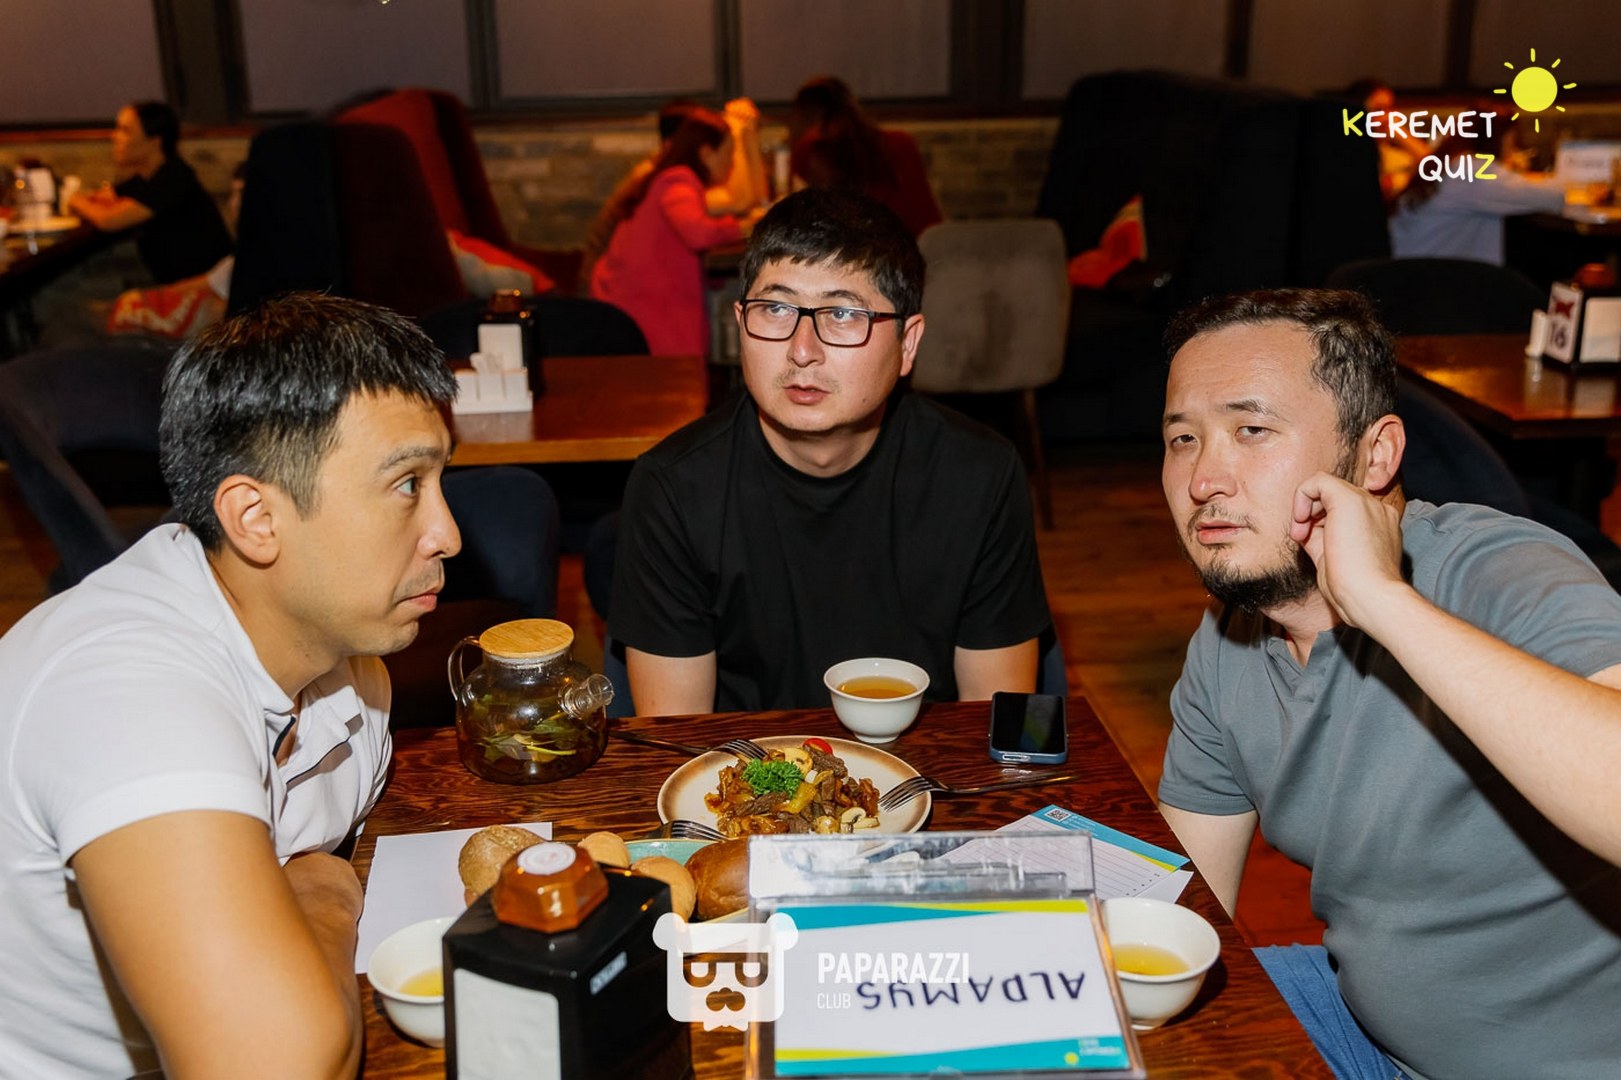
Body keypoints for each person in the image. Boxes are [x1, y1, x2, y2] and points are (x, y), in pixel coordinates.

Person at [1156, 287, 1621, 1080]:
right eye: (1181, 438)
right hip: (1364, 1031)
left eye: (1250, 430)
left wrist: (1382, 603)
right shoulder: (1231, 636)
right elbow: (1179, 919)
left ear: (1374, 456)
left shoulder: (1496, 569)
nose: (1203, 478)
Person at [0, 293, 461, 1076]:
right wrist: (323, 891)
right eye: (406, 484)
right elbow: (277, 1066)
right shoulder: (127, 696)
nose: (447, 534)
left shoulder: (351, 673)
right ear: (255, 519)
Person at [611, 188, 1050, 715]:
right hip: (742, 762)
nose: (802, 350)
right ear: (740, 322)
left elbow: (997, 726)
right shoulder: (673, 488)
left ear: (908, 344)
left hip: (922, 761)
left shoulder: (979, 477)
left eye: (843, 314)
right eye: (776, 308)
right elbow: (679, 739)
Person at [589, 108, 760, 356]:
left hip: (633, 303)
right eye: (728, 154)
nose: (732, 164)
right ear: (706, 153)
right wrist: (741, 228)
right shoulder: (678, 182)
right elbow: (697, 234)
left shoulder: (667, 179)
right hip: (645, 310)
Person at [68, 101, 234, 284]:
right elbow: (103, 199)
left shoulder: (173, 178)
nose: (114, 136)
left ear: (154, 141)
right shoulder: (144, 179)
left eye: (125, 131)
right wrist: (86, 203)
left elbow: (109, 221)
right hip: (181, 284)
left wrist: (75, 199)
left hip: (206, 288)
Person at [1388, 118, 1565, 265]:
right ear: (1502, 138)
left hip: (1409, 264)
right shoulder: (1473, 171)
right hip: (1430, 276)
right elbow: (1551, 196)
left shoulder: (1450, 162)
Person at [788, 76, 942, 237]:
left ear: (803, 115)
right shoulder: (902, 141)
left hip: (871, 244)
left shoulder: (812, 148)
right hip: (928, 241)